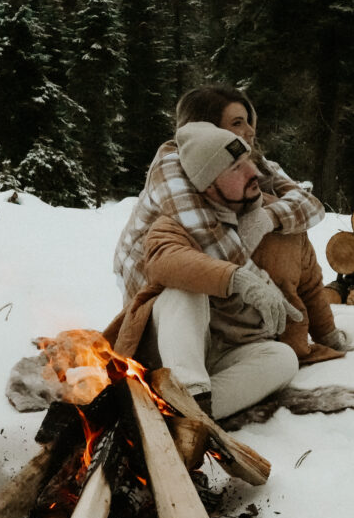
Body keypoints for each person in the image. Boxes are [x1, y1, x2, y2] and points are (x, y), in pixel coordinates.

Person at [112, 84, 348, 363]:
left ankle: (258, 346)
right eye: (238, 122)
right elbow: (209, 239)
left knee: (282, 225)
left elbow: (309, 205)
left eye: (250, 121)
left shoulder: (244, 159)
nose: (249, 130)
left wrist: (267, 218)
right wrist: (264, 294)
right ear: (204, 127)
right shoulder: (173, 164)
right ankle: (198, 376)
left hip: (216, 287)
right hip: (164, 293)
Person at [105, 123, 306, 419]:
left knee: (283, 358)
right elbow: (165, 260)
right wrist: (237, 279)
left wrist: (323, 333)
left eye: (247, 161)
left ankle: (188, 414)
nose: (252, 172)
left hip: (224, 350)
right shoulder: (175, 221)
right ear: (210, 185)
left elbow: (311, 278)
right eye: (236, 168)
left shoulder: (261, 218)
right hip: (165, 352)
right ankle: (191, 393)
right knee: (185, 291)